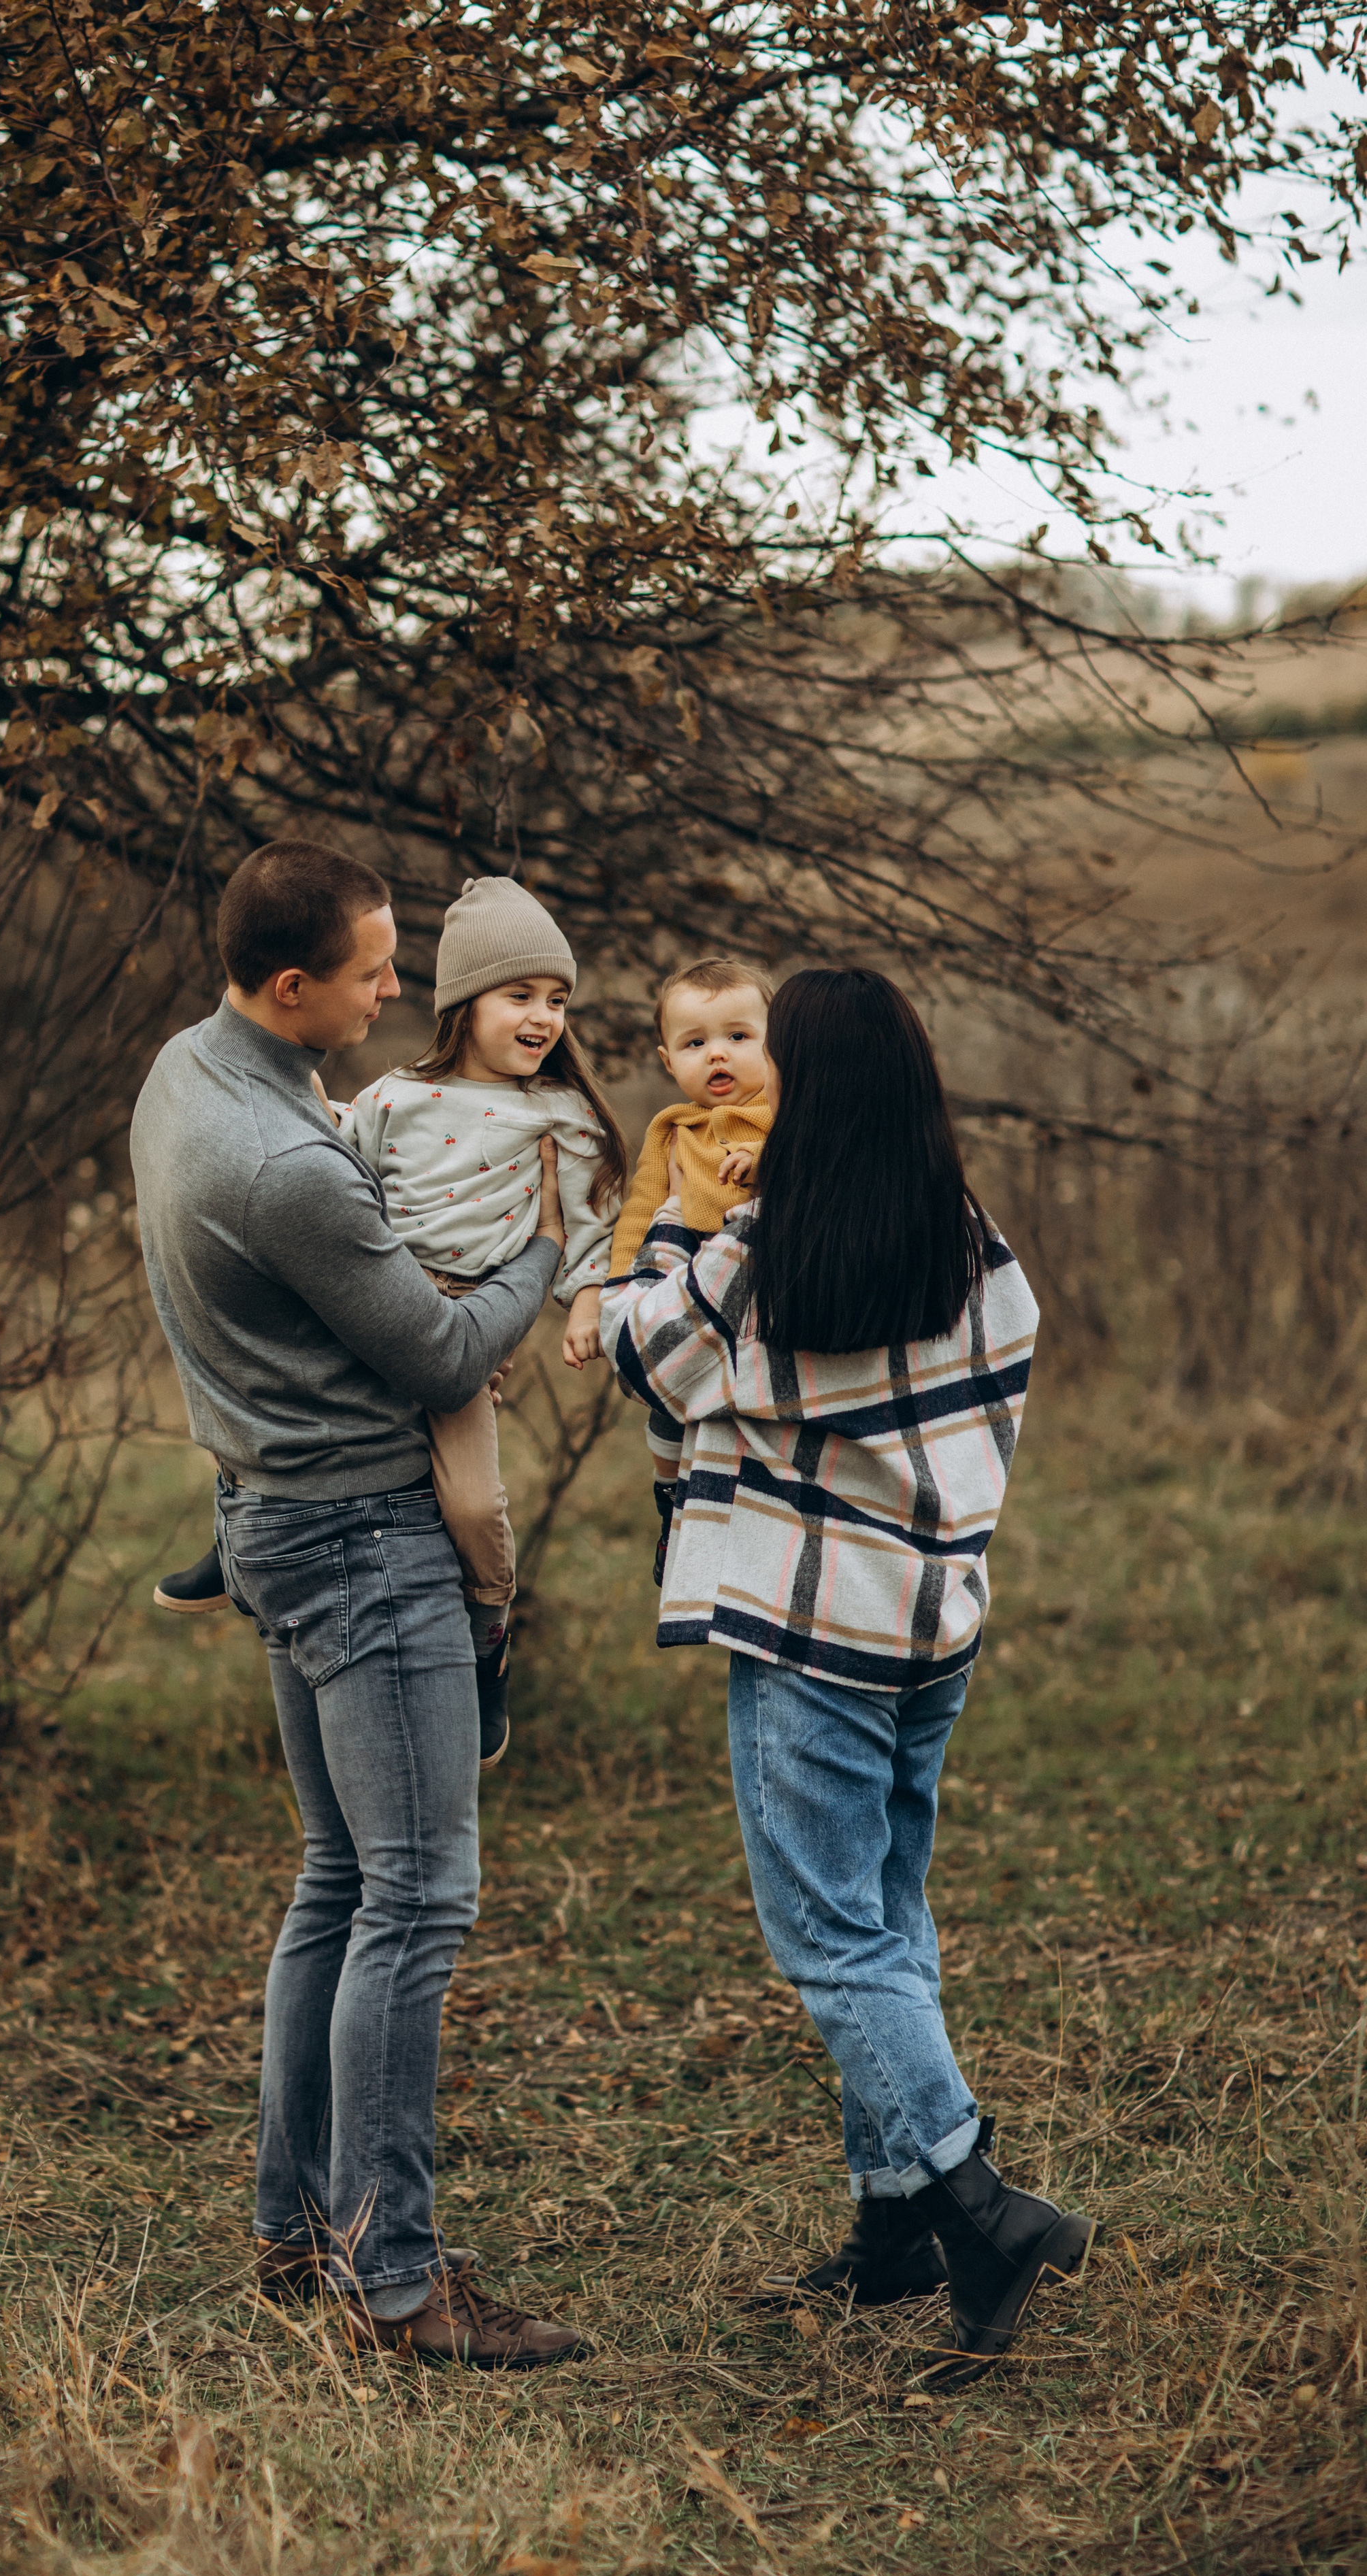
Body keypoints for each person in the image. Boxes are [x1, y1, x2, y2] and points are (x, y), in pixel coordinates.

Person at [601, 967, 1098, 2388]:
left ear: (802, 1091)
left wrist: (662, 1230)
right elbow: (1002, 1380)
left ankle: (974, 2204)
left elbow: (641, 1352)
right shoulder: (971, 1240)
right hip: (932, 1624)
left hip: (810, 1634)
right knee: (886, 1910)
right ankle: (892, 2222)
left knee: (830, 1937)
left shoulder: (760, 1250)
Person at [130, 839, 589, 2369]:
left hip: (268, 1512)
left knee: (339, 1878)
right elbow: (447, 1355)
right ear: (289, 986)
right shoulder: (292, 1167)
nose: (397, 993)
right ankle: (394, 2282)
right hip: (362, 1542)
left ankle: (294, 2226)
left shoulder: (183, 1076)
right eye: (374, 972)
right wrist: (540, 1247)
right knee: (417, 1899)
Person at [153, 875, 626, 1764]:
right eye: (520, 995)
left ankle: (488, 1635)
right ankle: (236, 1542)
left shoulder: (560, 1115)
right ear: (465, 1004)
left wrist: (585, 1302)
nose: (543, 1017)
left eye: (557, 1000)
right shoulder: (397, 1096)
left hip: (470, 1309)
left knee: (475, 1504)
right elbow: (343, 1165)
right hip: (383, 1293)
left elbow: (587, 1224)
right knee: (277, 1380)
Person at [605, 958, 776, 1590]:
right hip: (686, 1286)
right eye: (695, 1043)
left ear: (775, 1045)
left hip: (753, 1288)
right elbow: (641, 1213)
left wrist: (760, 1159)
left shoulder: (779, 1116)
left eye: (739, 1036)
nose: (717, 1054)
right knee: (668, 1414)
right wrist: (608, 1291)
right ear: (667, 1060)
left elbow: (803, 1160)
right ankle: (670, 1502)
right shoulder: (671, 1130)